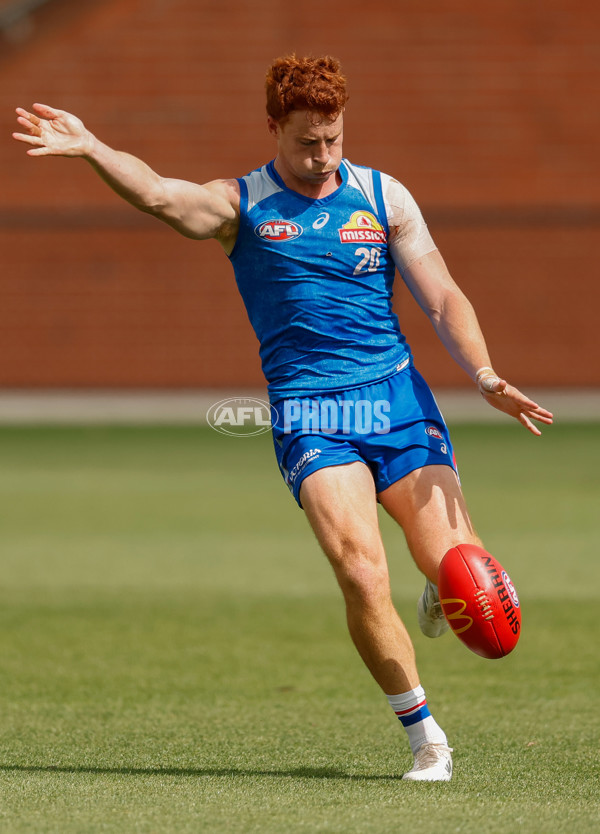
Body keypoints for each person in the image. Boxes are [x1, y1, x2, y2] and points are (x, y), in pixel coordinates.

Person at [13, 54, 553, 782]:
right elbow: (163, 197)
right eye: (306, 142)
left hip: (396, 402)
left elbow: (443, 295)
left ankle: (433, 575)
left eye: (332, 138)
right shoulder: (242, 205)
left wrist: (485, 374)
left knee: (463, 577)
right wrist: (94, 149)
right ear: (273, 128)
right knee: (362, 572)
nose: (322, 155)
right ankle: (425, 734)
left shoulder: (382, 196)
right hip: (311, 415)